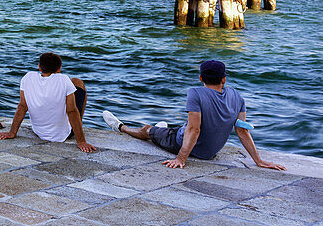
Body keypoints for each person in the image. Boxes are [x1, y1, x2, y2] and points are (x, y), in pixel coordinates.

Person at [102, 59, 286, 170]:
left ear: (200, 78)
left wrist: (180, 159)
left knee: (147, 130)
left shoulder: (195, 92)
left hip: (184, 143)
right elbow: (242, 131)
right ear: (224, 79)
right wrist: (259, 161)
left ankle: (121, 127)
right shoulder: (237, 96)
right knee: (172, 129)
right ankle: (162, 128)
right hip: (210, 152)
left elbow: (194, 129)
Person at [0, 51, 96, 153]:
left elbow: (22, 106)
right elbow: (72, 111)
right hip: (62, 135)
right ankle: (79, 124)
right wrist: (81, 141)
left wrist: (12, 132)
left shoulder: (28, 77)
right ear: (59, 69)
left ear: (40, 67)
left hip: (39, 132)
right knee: (77, 82)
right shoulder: (64, 79)